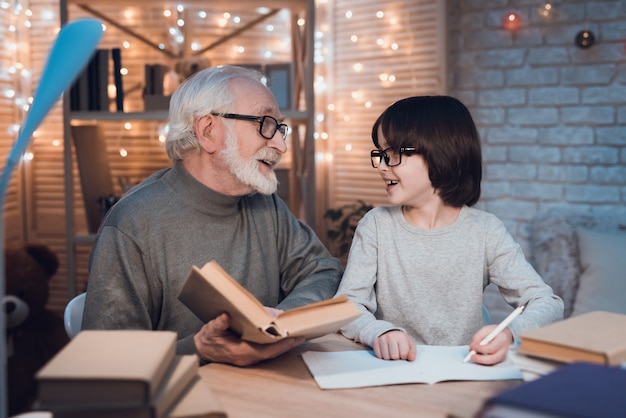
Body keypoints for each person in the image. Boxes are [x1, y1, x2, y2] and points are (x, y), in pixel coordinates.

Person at [82, 65, 343, 366]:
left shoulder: (266, 204)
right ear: (208, 131)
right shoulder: (132, 225)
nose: (281, 145)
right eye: (265, 124)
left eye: (280, 128)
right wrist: (199, 349)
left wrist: (280, 323)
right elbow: (103, 359)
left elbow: (323, 271)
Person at [335, 95, 564, 365]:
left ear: (440, 153)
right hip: (396, 371)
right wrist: (379, 331)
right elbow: (347, 306)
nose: (383, 166)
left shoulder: (485, 231)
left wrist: (508, 334)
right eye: (381, 154)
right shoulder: (376, 225)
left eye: (394, 154)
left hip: (466, 371)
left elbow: (547, 303)